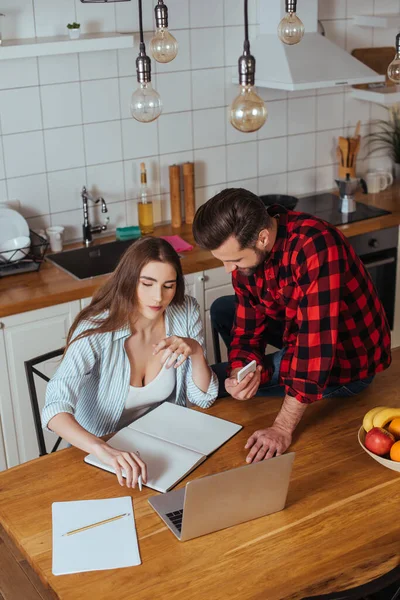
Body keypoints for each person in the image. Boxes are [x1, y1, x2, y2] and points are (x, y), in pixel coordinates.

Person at [192, 188, 391, 463]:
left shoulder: (315, 245)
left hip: (346, 358)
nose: (229, 269)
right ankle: (264, 377)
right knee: (223, 309)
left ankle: (277, 380)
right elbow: (247, 327)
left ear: (262, 237)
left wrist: (282, 428)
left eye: (234, 260)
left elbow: (313, 348)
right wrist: (243, 368)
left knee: (213, 381)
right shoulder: (251, 253)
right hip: (299, 328)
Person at [42, 237, 218, 489]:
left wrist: (196, 351)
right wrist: (103, 449)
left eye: (168, 286)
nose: (158, 297)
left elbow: (203, 399)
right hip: (102, 450)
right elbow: (54, 407)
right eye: (147, 284)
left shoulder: (185, 311)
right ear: (129, 280)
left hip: (164, 443)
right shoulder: (97, 327)